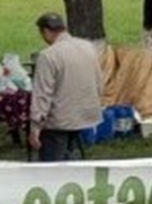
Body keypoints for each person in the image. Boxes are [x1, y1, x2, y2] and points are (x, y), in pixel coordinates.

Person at [28, 12, 103, 162]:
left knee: (53, 169)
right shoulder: (88, 47)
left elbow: (43, 94)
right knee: (74, 160)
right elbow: (98, 82)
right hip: (85, 115)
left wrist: (35, 127)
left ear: (46, 32)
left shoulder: (48, 56)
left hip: (59, 121)